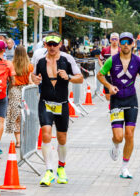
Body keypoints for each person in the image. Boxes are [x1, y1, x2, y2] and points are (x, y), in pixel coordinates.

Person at [31, 32, 83, 186]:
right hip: (45, 102)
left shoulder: (68, 59)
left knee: (62, 138)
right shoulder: (40, 61)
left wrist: (68, 77)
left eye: (55, 44)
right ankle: (48, 171)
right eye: (49, 44)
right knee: (46, 134)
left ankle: (61, 167)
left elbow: (79, 78)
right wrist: (35, 79)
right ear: (45, 45)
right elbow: (32, 76)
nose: (52, 47)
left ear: (60, 44)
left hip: (62, 104)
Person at [97, 32, 140, 179]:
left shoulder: (138, 61)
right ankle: (115, 145)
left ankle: (125, 168)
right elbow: (100, 75)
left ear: (133, 43)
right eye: (123, 41)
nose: (125, 44)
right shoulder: (111, 61)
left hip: (131, 100)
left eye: (128, 41)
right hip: (117, 101)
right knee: (119, 137)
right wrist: (108, 85)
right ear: (119, 44)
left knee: (130, 135)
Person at [6, 46, 33, 148]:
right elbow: (30, 81)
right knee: (25, 115)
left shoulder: (11, 65)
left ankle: (18, 141)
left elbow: (9, 80)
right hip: (26, 91)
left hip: (14, 90)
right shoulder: (29, 66)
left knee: (16, 116)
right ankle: (25, 138)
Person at [98, 32, 120, 102]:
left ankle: (116, 108)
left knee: (117, 93)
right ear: (110, 40)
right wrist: (102, 66)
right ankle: (111, 108)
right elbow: (99, 59)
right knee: (108, 96)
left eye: (116, 39)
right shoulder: (105, 50)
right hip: (107, 75)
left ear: (118, 40)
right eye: (113, 39)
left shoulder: (121, 50)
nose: (114, 41)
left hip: (118, 75)